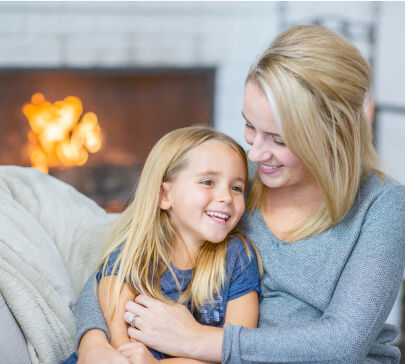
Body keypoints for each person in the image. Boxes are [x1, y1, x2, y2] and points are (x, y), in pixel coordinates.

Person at [75, 25, 405, 363]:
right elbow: (122, 261)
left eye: (279, 140)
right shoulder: (232, 184)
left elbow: (343, 343)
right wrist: (93, 343)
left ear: (333, 136)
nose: (254, 154)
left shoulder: (382, 204)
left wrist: (196, 340)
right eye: (251, 127)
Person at [63, 126, 262, 363]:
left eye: (236, 188)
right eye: (208, 182)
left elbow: (236, 351)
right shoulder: (131, 257)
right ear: (164, 195)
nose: (226, 197)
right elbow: (121, 352)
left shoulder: (238, 256)